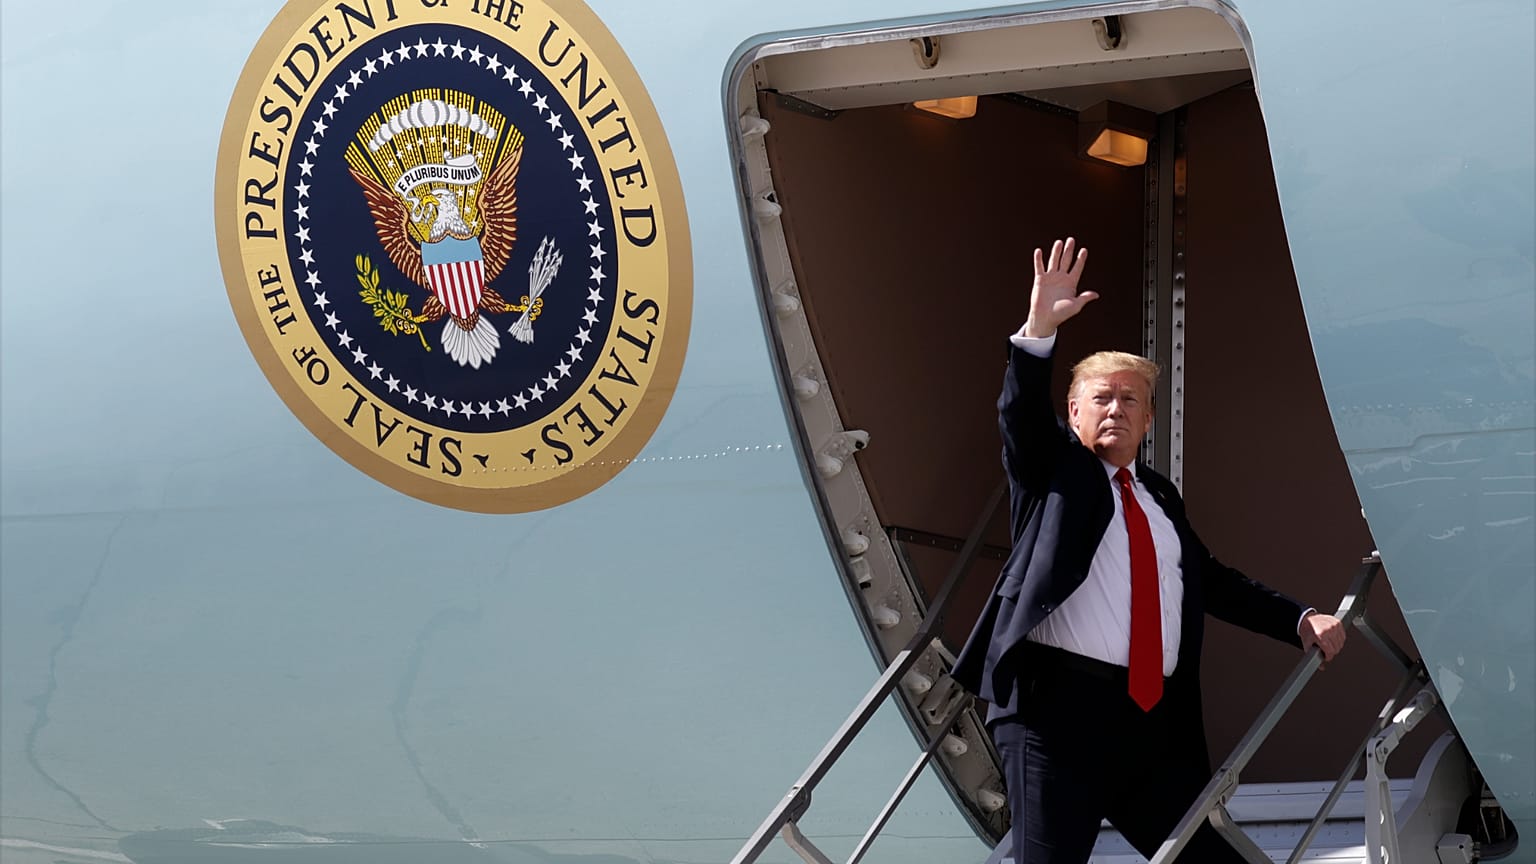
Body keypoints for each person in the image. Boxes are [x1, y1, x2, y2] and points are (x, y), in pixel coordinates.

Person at [951, 237, 1347, 863]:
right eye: (1100, 398)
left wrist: (1298, 617)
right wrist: (1038, 331)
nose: (1115, 409)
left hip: (1149, 727)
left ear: (1149, 420)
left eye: (1129, 399)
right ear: (1074, 412)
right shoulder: (1054, 473)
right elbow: (1021, 417)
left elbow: (1209, 581)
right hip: (1055, 718)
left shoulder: (1159, 497)